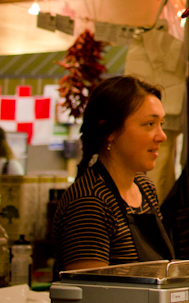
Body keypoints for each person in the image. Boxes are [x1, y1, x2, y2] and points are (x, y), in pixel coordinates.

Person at [53, 76, 173, 272]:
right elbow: (93, 294)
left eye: (161, 123)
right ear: (110, 131)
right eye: (149, 124)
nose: (162, 136)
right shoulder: (89, 203)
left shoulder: (145, 188)